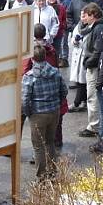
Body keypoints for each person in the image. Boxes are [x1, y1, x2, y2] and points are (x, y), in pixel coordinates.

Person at [21, 45, 67, 181]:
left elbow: (24, 100)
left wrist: (29, 113)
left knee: (38, 146)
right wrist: (56, 104)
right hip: (54, 112)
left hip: (38, 114)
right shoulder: (55, 72)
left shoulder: (29, 77)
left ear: (33, 59)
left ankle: (41, 176)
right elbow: (64, 91)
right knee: (50, 142)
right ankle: (52, 172)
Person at [80, 3, 103, 138]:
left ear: (93, 15)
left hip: (93, 67)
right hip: (92, 65)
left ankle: (94, 126)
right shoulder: (94, 27)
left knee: (92, 96)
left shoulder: (97, 28)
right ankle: (95, 124)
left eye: (87, 15)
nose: (85, 17)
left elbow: (97, 51)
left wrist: (88, 62)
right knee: (92, 96)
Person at [47, 0, 68, 67]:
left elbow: (64, 19)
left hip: (58, 35)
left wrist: (62, 26)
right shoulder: (46, 8)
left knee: (56, 53)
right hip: (48, 35)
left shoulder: (61, 7)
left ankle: (56, 69)